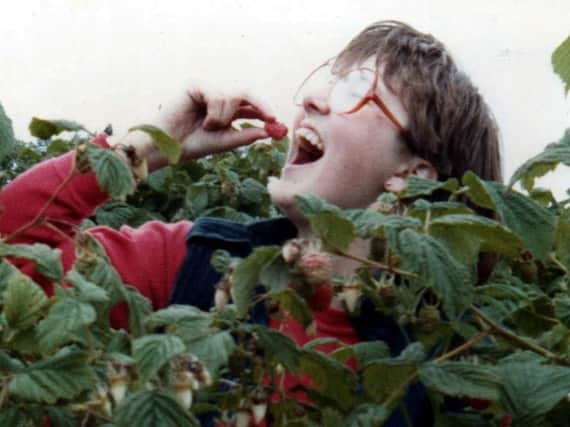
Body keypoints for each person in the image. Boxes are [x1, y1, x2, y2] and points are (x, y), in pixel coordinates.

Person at [0, 20, 501, 426]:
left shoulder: (445, 367)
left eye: (355, 90)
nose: (310, 99)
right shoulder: (193, 262)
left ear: (409, 177)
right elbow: (11, 262)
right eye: (327, 79)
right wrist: (148, 145)